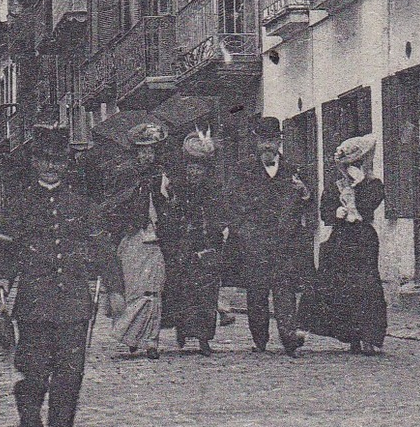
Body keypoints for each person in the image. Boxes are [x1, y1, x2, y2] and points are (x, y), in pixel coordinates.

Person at [0, 124, 115, 427]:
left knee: (68, 384)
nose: (51, 167)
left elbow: (102, 247)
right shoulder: (20, 204)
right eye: (45, 160)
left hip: (75, 307)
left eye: (58, 161)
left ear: (66, 164)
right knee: (33, 379)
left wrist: (115, 286)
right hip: (34, 308)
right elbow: (5, 251)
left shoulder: (80, 203)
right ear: (34, 162)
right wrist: (2, 276)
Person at [229, 116, 311, 356]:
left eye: (272, 141)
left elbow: (306, 202)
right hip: (255, 243)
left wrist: (304, 193)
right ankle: (260, 340)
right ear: (256, 143)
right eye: (263, 141)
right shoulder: (243, 170)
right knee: (256, 294)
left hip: (285, 243)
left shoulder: (292, 169)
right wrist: (245, 234)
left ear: (279, 143)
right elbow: (233, 203)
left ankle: (289, 337)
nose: (267, 146)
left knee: (285, 291)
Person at [305, 135, 387, 354]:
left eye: (357, 164)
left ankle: (369, 336)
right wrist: (336, 211)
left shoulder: (373, 184)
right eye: (349, 164)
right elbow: (325, 212)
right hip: (341, 239)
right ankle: (352, 336)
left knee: (367, 286)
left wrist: (359, 187)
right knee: (344, 288)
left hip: (363, 238)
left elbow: (371, 203)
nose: (353, 168)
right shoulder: (335, 186)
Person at [103, 121, 169, 360]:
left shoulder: (162, 175)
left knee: (154, 291)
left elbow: (169, 203)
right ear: (135, 152)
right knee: (135, 292)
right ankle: (133, 335)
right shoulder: (124, 174)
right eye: (142, 150)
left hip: (156, 239)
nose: (147, 155)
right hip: (131, 239)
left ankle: (152, 340)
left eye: (151, 150)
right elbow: (111, 205)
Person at [161, 128, 226, 354]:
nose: (194, 172)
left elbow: (219, 216)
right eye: (191, 167)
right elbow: (169, 216)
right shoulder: (177, 188)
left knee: (207, 294)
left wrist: (215, 237)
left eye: (198, 168)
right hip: (181, 246)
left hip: (207, 244)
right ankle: (183, 330)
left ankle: (204, 338)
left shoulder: (213, 191)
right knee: (182, 291)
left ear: (205, 170)